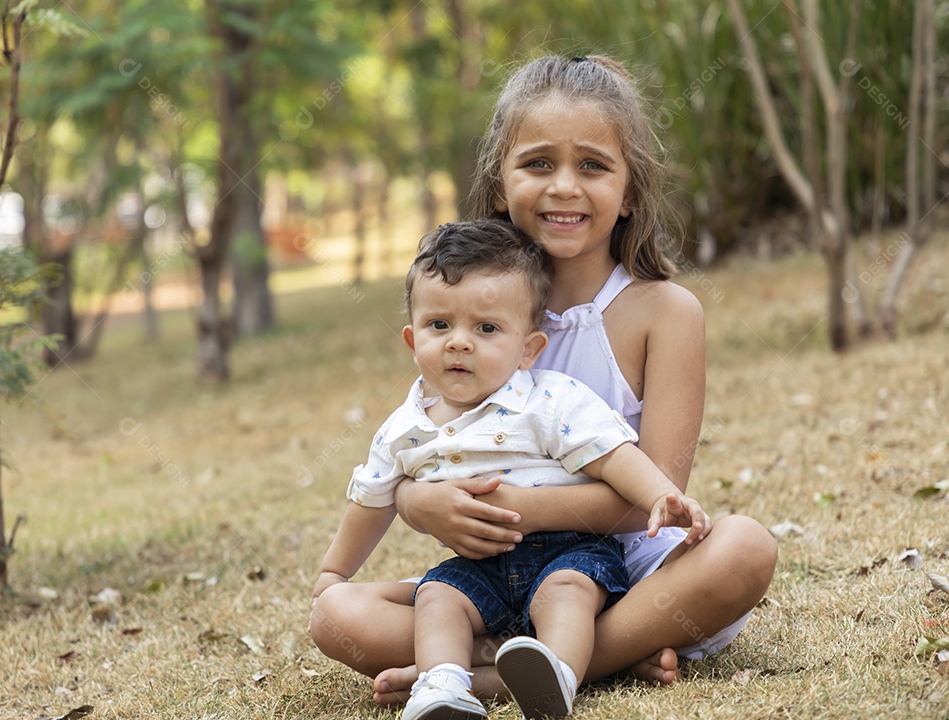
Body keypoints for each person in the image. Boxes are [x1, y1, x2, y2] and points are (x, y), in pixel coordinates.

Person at [309, 54, 778, 704]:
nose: (563, 187)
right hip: (492, 571)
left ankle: (502, 671)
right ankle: (586, 656)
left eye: (592, 165)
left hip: (622, 566)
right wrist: (417, 504)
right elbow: (425, 445)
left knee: (746, 550)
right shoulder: (470, 310)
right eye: (537, 164)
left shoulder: (666, 313)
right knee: (336, 617)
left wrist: (512, 511)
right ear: (500, 184)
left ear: (630, 189)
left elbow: (653, 499)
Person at [314, 219, 712, 720]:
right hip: (478, 566)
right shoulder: (404, 428)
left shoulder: (547, 399)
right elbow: (369, 500)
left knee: (566, 593)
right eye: (440, 326)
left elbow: (611, 455)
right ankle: (443, 684)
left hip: (569, 551)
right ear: (413, 341)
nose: (459, 343)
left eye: (486, 329)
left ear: (528, 348)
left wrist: (659, 494)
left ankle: (559, 675)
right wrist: (333, 573)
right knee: (437, 597)